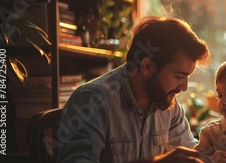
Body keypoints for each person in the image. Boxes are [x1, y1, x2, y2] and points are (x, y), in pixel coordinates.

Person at [57, 16, 213, 163]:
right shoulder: (93, 101)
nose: (184, 87)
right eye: (179, 76)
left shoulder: (166, 103)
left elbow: (189, 151)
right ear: (147, 66)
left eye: (188, 77)